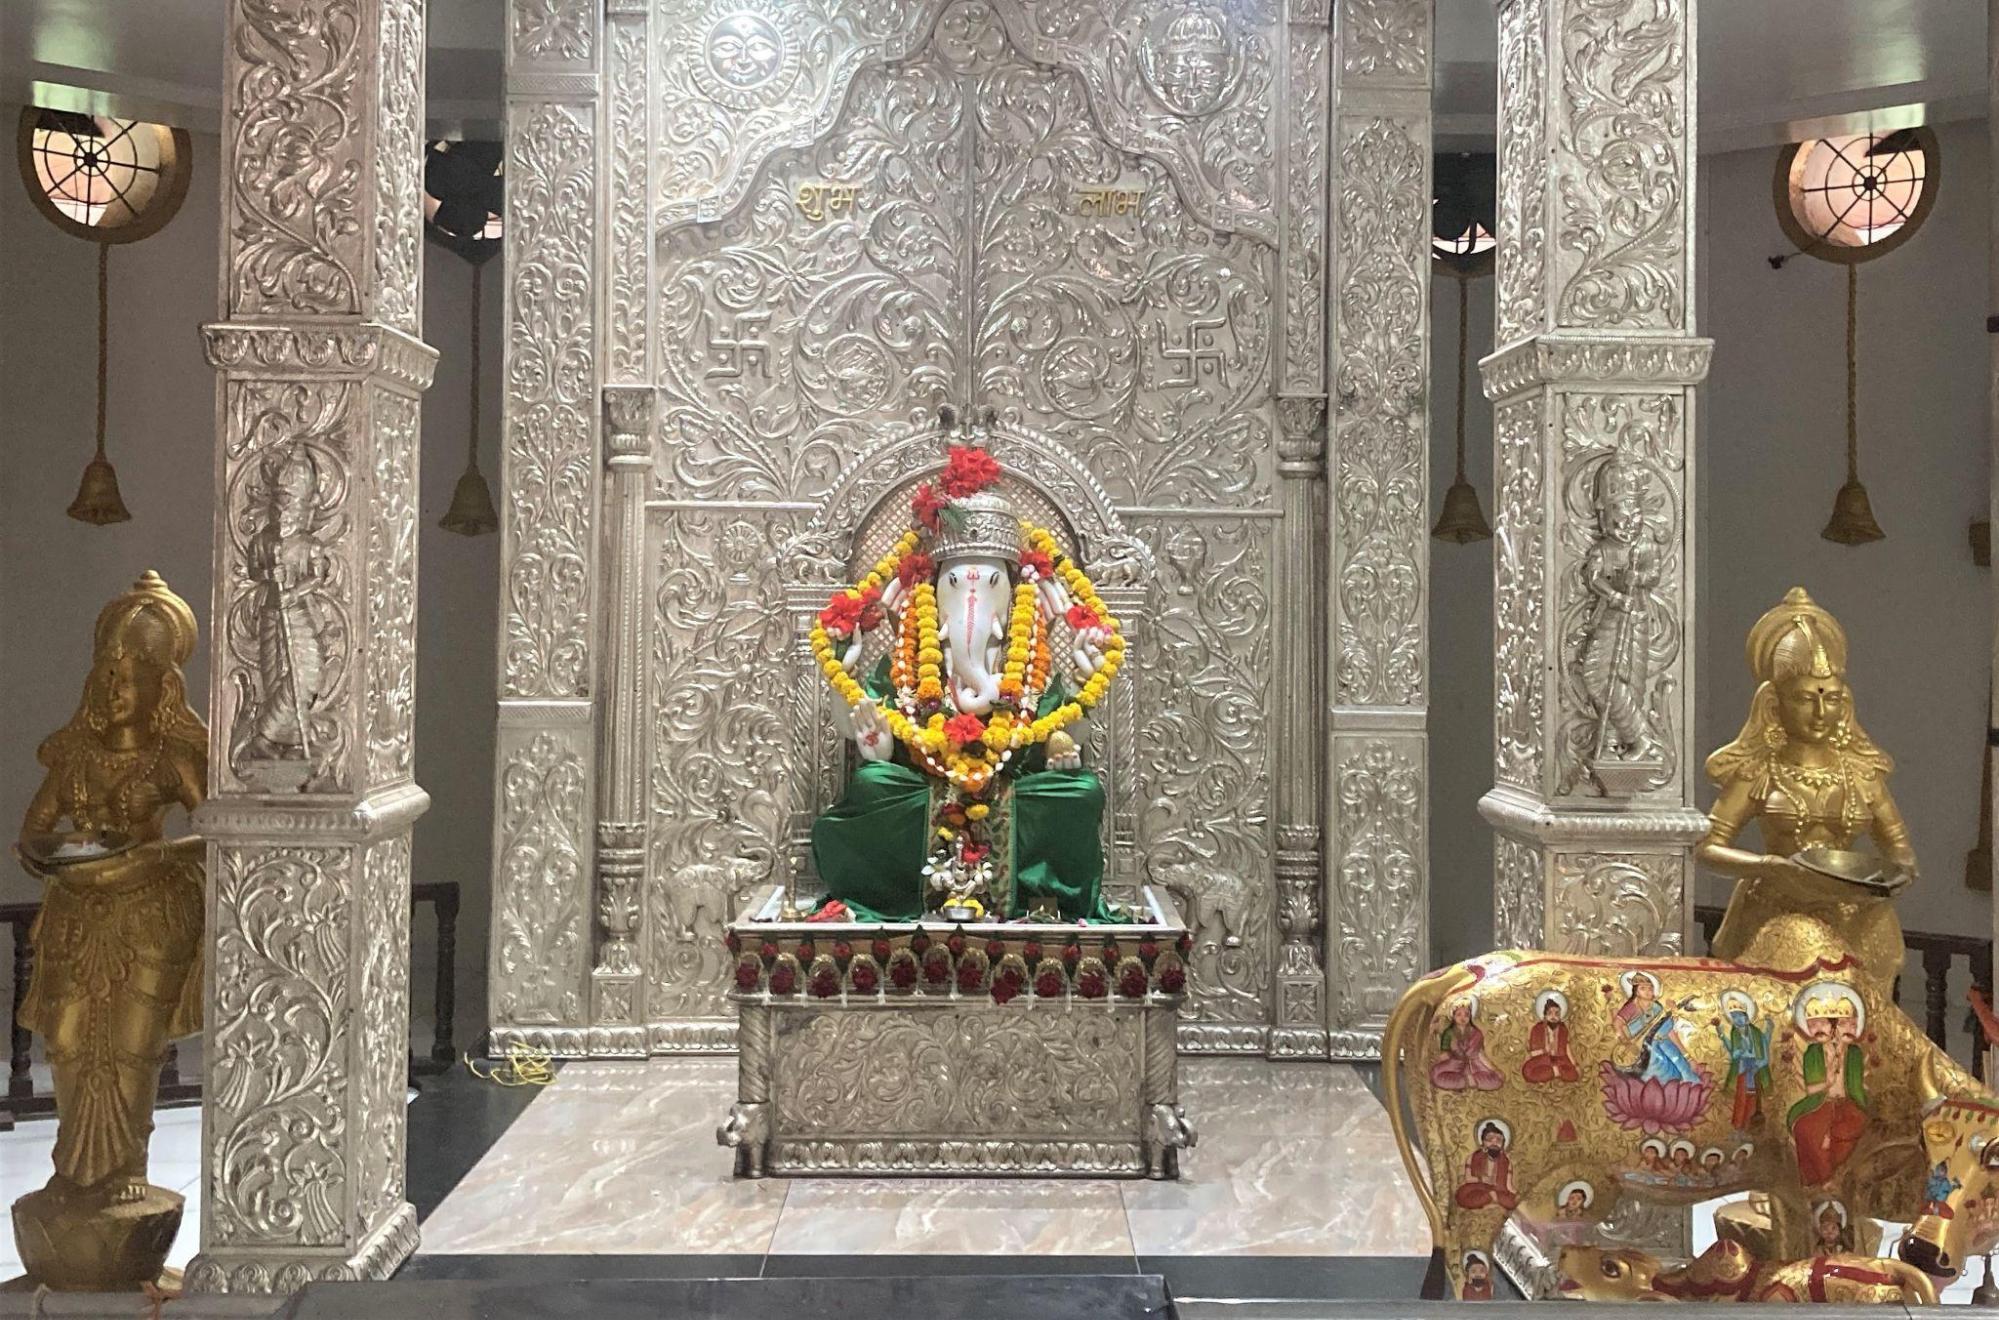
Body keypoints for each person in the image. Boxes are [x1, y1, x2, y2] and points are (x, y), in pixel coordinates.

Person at [16, 572, 206, 1205]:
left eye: (130, 677)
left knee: (131, 1050)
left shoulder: (173, 757)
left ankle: (126, 1172)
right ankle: (74, 1174)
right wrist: (55, 858)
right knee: (67, 1040)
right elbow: (34, 832)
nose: (115, 686)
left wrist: (149, 856)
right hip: (76, 913)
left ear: (164, 687)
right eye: (107, 675)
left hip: (150, 913)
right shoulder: (76, 757)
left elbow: (218, 833)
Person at [1700, 590, 1914, 992]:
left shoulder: (1862, 772)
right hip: (1776, 915)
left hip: (1857, 917)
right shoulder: (1759, 770)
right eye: (1803, 699)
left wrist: (1894, 877)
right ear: (1773, 703)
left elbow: (1901, 853)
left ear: (1844, 704)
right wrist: (1769, 867)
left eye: (1831, 699)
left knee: (1859, 1032)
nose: (1820, 713)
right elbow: (1707, 847)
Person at [1787, 987, 1869, 1186]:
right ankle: (1818, 1181)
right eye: (1813, 1024)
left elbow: (1857, 1088)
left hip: (1847, 1104)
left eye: (1852, 1024)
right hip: (1820, 1103)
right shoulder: (1813, 1053)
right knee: (1805, 1129)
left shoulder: (1855, 1053)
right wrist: (1829, 1080)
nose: (1848, 1029)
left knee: (1852, 1129)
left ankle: (1839, 1180)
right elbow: (1812, 1090)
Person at [1615, 972, 1701, 1084]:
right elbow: (1617, 1024)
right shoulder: (1631, 1008)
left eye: (1650, 989)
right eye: (1643, 988)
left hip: (1664, 1042)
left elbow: (1669, 1031)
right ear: (1636, 991)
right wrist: (1626, 1043)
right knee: (1664, 1074)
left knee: (1682, 1069)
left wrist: (1687, 1056)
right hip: (1643, 1049)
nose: (1647, 992)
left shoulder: (1658, 1007)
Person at [1715, 992, 1773, 1130]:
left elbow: (1765, 1046)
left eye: (1739, 1016)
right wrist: (1721, 1034)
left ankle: (1749, 1126)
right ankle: (1738, 1126)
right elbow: (1733, 1051)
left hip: (1756, 1069)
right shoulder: (1735, 1034)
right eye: (1734, 1017)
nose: (1737, 1020)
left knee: (1753, 1098)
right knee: (1741, 1099)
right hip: (1742, 1069)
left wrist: (1770, 1027)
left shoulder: (1757, 1034)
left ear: (1746, 1017)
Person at [1431, 998, 1504, 1091]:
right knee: (1437, 1077)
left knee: (1496, 1081)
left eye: (1466, 1015)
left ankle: (1467, 1081)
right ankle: (1465, 1081)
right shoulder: (1449, 1033)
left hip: (1475, 1066)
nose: (1463, 1018)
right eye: (1459, 1014)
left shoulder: (1476, 1033)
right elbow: (1445, 1054)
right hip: (1455, 1064)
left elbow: (1480, 1054)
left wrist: (1494, 1069)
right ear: (1453, 1016)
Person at [1456, 1122, 1519, 1210]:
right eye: (1490, 1140)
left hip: (1498, 1191)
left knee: (1511, 1202)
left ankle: (1492, 1199)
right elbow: (1468, 1179)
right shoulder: (1473, 1157)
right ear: (1483, 1142)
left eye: (1498, 1140)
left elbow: (1509, 1186)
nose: (1494, 1143)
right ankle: (1492, 1199)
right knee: (1462, 1196)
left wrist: (1517, 1195)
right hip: (1478, 1188)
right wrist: (1482, 1179)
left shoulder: (1506, 1163)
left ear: (1503, 1144)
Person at [1523, 993, 1580, 1084]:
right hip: (1543, 1060)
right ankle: (1556, 1072)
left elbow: (1566, 1047)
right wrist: (1544, 1050)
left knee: (1573, 1074)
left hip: (1560, 1060)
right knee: (1527, 1071)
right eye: (1550, 1013)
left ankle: (1552, 1073)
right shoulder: (1537, 1029)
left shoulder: (1562, 1030)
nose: (1553, 1017)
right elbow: (1532, 1053)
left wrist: (1575, 1064)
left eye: (1557, 1014)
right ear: (1545, 1015)